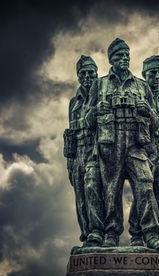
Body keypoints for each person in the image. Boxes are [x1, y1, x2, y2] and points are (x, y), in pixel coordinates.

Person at [86, 38, 159, 251]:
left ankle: (150, 233)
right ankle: (111, 233)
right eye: (118, 56)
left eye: (126, 56)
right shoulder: (99, 84)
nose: (123, 59)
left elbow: (158, 123)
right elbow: (87, 122)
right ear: (111, 60)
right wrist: (97, 110)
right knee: (110, 190)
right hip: (110, 143)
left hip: (136, 144)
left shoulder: (142, 87)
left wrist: (148, 111)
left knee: (145, 183)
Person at [129, 55, 159, 240]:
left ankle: (157, 237)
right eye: (152, 73)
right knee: (143, 192)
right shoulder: (139, 99)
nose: (157, 76)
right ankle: (137, 235)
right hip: (145, 153)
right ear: (144, 74)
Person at [64, 55, 103, 246]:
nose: (87, 76)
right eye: (83, 73)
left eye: (90, 72)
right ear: (78, 77)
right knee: (80, 197)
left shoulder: (102, 95)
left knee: (91, 189)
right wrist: (69, 163)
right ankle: (87, 235)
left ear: (96, 73)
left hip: (96, 150)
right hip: (77, 151)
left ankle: (97, 232)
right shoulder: (74, 102)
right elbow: (70, 131)